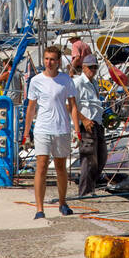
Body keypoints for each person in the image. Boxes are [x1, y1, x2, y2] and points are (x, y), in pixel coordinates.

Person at [23, 45, 80, 219]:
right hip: (42, 128)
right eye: (47, 59)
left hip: (61, 129)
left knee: (61, 168)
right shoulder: (36, 81)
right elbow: (31, 109)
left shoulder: (66, 80)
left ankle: (62, 202)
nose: (49, 62)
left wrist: (77, 130)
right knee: (41, 166)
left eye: (52, 59)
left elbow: (73, 107)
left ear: (59, 61)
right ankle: (39, 209)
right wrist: (26, 133)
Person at [72, 55, 106, 196]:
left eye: (95, 67)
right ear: (83, 67)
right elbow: (70, 105)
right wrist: (84, 120)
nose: (93, 69)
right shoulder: (78, 82)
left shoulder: (94, 83)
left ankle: (90, 188)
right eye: (90, 67)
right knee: (88, 159)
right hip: (86, 126)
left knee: (101, 157)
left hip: (97, 123)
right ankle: (85, 191)